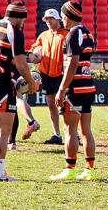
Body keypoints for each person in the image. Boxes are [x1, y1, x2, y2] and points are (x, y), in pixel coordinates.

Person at [0, 1, 38, 181]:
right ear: (19, 17)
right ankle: (0, 173)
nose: (23, 24)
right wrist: (30, 83)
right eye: (23, 20)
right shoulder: (14, 32)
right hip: (0, 81)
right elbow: (21, 64)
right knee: (5, 131)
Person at [50, 1, 97, 181]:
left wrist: (61, 89)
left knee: (70, 129)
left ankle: (70, 169)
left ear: (68, 16)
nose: (62, 20)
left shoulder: (72, 34)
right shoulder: (88, 33)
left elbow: (72, 63)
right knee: (86, 130)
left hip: (75, 87)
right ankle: (89, 170)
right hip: (88, 85)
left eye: (63, 16)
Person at [30, 8, 68, 145]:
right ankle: (57, 134)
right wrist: (34, 55)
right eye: (46, 19)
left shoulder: (66, 35)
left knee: (65, 106)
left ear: (59, 20)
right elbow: (35, 49)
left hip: (61, 74)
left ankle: (72, 134)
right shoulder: (43, 35)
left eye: (51, 19)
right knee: (51, 104)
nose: (49, 21)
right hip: (46, 74)